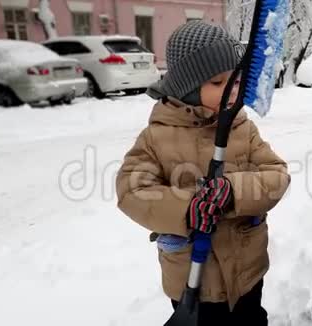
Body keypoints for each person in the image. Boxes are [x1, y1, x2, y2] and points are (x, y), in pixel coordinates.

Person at [115, 21, 290, 326]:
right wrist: (187, 207)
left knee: (250, 319)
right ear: (189, 88)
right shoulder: (158, 137)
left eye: (234, 81)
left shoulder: (242, 128)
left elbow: (276, 174)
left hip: (246, 269)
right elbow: (131, 190)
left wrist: (234, 191)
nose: (232, 91)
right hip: (192, 279)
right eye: (218, 83)